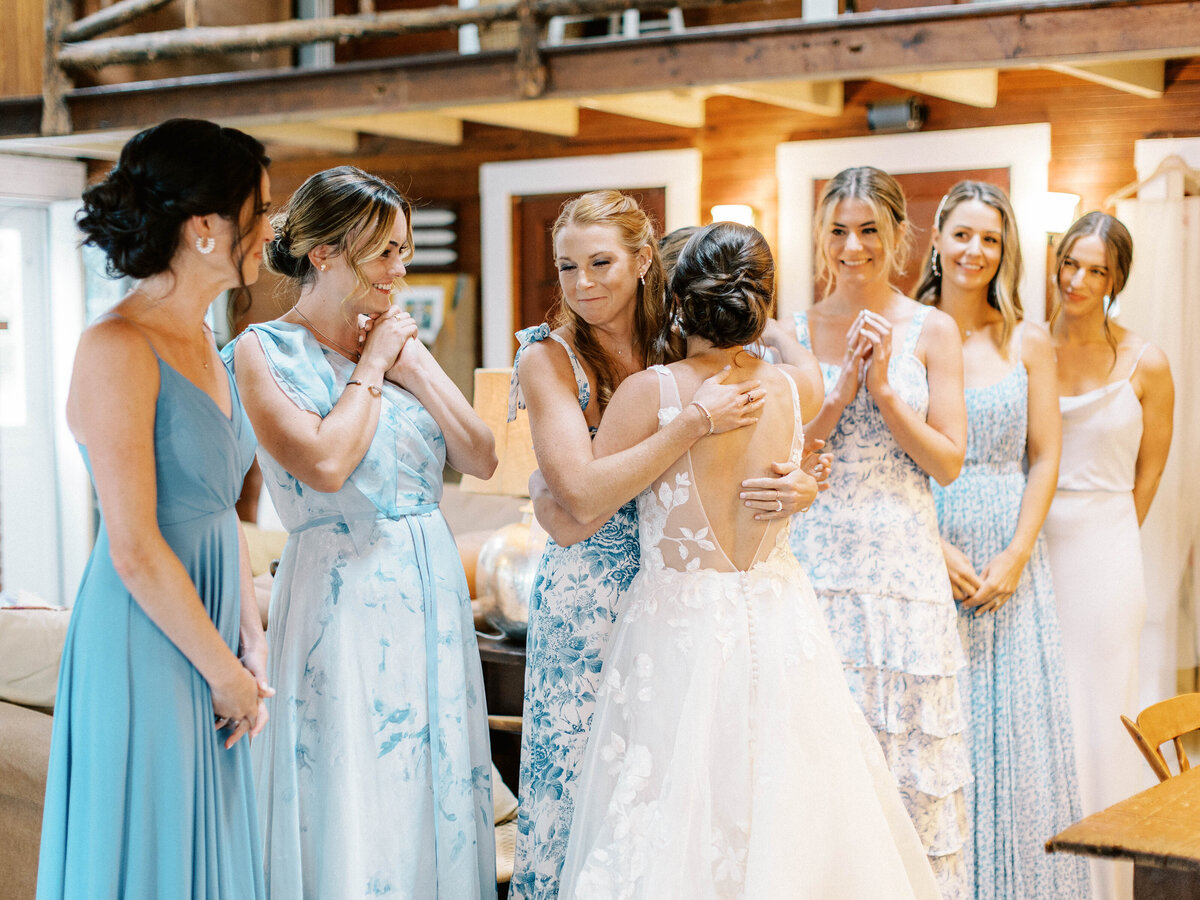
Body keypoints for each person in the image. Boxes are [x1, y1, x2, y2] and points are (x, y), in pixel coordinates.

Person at [558, 222, 940, 898]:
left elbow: (580, 505)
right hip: (775, 617)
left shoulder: (653, 392)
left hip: (679, 622)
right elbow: (796, 377)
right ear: (759, 301)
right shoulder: (794, 390)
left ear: (678, 299)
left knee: (674, 803)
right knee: (780, 799)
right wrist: (774, 329)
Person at [509, 191, 818, 900]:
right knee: (579, 800)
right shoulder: (549, 360)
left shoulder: (680, 341)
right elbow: (580, 504)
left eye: (601, 263)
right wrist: (689, 427)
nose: (583, 283)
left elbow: (767, 436)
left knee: (685, 806)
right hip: (591, 603)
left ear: (645, 260)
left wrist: (801, 488)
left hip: (680, 607)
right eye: (567, 268)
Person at [225, 165, 500, 898]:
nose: (401, 270)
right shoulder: (261, 353)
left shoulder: (398, 343)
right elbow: (323, 461)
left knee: (429, 774)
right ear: (324, 254)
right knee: (355, 770)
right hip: (343, 593)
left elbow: (480, 453)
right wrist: (376, 365)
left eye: (404, 251)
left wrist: (414, 362)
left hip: (429, 587)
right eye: (385, 253)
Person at [37, 118, 273, 899]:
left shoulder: (209, 338)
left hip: (210, 629)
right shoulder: (117, 347)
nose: (270, 228)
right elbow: (134, 545)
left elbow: (216, 509)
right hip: (146, 637)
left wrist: (250, 638)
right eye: (259, 210)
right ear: (207, 228)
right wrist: (222, 670)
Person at [786, 166, 972, 896]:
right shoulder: (794, 331)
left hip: (905, 569)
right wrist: (838, 392)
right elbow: (790, 449)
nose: (853, 246)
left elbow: (949, 461)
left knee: (909, 766)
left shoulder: (935, 329)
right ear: (821, 236)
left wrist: (887, 392)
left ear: (898, 235)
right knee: (825, 758)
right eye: (838, 230)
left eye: (868, 230)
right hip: (818, 563)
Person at [917, 181, 1090, 898]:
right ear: (937, 240)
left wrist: (1018, 553)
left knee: (1013, 737)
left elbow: (1046, 455)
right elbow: (885, 457)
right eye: (962, 235)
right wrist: (929, 547)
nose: (975, 251)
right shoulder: (906, 330)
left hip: (1010, 558)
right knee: (935, 731)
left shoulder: (1028, 339)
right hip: (925, 547)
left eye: (990, 238)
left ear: (1005, 250)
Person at [1043, 211, 1174, 900]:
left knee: (1102, 708)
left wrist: (1110, 538)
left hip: (1106, 550)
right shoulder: (1028, 347)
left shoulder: (1147, 362)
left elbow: (1148, 475)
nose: (1080, 280)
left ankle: (1101, 883)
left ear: (1117, 279)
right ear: (1056, 263)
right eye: (1072, 263)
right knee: (1044, 705)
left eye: (1097, 269)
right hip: (1035, 545)